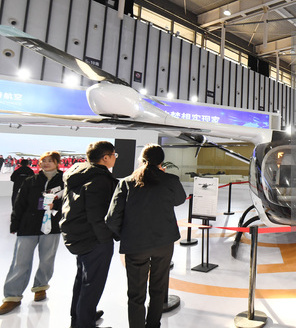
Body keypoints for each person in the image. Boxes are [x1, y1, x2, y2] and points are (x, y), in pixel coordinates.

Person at [106, 144, 186, 328]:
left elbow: (112, 218)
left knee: (135, 294)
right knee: (158, 288)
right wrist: (163, 175)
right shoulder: (170, 180)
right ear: (161, 162)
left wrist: (124, 235)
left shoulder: (126, 182)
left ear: (142, 160)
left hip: (135, 244)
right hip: (164, 243)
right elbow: (179, 200)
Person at [60, 141, 119, 328]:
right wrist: (105, 240)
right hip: (94, 239)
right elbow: (97, 215)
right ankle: (84, 324)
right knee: (92, 284)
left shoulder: (78, 173)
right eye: (114, 155)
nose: (115, 159)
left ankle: (79, 317)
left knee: (83, 279)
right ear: (105, 157)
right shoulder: (100, 179)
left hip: (78, 234)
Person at [0, 152, 64, 315]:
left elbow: (68, 203)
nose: (46, 163)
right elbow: (19, 203)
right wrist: (15, 223)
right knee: (20, 261)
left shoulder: (65, 181)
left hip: (52, 226)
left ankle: (40, 288)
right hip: (28, 226)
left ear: (57, 163)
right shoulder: (31, 181)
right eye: (43, 161)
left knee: (47, 259)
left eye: (50, 161)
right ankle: (12, 297)